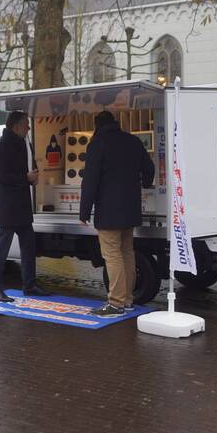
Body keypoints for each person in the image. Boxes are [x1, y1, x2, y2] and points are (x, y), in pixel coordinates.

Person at [79, 111, 156, 316]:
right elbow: (149, 168)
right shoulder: (132, 141)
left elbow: (90, 181)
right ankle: (128, 300)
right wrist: (146, 183)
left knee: (112, 256)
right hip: (130, 210)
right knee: (127, 253)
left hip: (108, 212)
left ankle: (115, 303)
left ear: (97, 125)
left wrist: (84, 210)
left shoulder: (97, 144)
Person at [0, 110, 49, 302]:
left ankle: (29, 285)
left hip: (21, 204)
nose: (29, 128)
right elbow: (1, 176)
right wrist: (26, 178)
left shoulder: (24, 143)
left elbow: (24, 170)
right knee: (1, 249)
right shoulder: (1, 146)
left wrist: (32, 178)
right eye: (25, 124)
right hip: (8, 206)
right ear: (15, 126)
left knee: (29, 246)